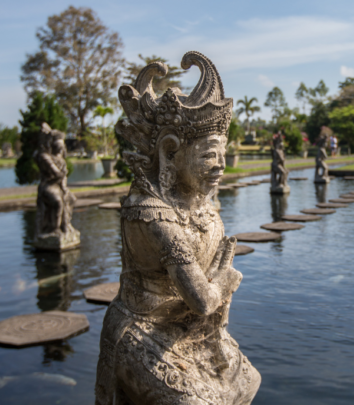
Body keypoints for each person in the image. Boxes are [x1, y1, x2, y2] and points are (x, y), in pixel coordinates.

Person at [96, 52, 260, 405]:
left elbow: (210, 297)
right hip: (143, 329)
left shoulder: (203, 208)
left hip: (193, 331)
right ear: (171, 152)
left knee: (246, 382)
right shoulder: (151, 214)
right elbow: (203, 299)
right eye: (208, 156)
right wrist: (226, 282)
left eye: (222, 155)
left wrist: (216, 306)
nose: (220, 167)